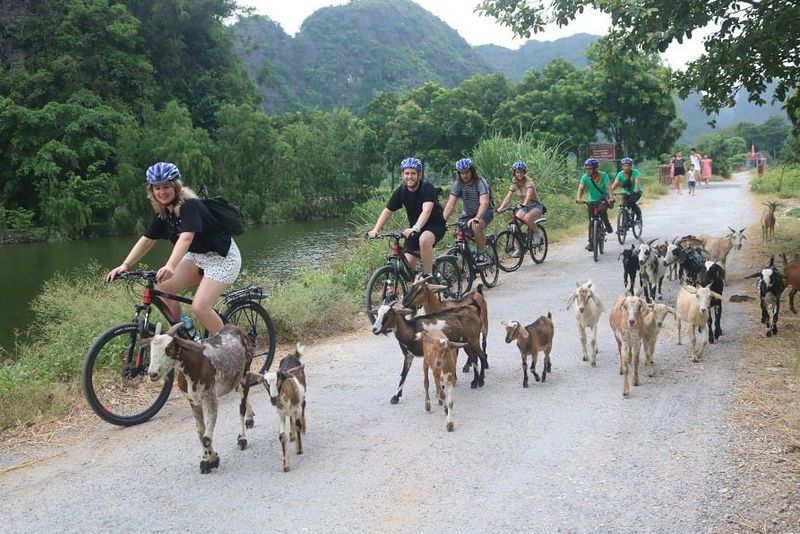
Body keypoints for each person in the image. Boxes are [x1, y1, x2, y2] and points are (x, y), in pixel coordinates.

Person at [105, 162, 242, 337]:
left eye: (166, 186)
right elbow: (147, 240)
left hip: (222, 259)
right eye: (157, 188)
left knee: (200, 307)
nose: (162, 192)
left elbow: (186, 237)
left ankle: (230, 347)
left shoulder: (190, 205)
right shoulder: (163, 212)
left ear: (176, 186)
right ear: (152, 191)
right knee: (164, 291)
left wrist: (170, 265)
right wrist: (124, 265)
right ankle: (188, 335)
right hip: (198, 256)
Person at [367, 157, 447, 278]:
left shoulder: (427, 188)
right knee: (407, 267)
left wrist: (416, 228)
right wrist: (376, 230)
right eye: (407, 173)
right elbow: (388, 211)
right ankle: (423, 275)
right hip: (415, 229)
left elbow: (427, 210)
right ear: (402, 175)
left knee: (424, 240)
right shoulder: (401, 191)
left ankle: (428, 276)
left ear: (419, 175)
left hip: (435, 225)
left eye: (413, 173)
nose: (410, 177)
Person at [442, 157, 494, 264]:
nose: (464, 176)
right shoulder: (458, 184)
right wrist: (442, 220)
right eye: (462, 173)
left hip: (485, 212)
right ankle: (469, 262)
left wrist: (477, 218)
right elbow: (451, 204)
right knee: (461, 235)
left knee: (476, 225)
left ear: (472, 171)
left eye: (467, 172)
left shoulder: (480, 182)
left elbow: (484, 202)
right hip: (468, 214)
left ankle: (481, 253)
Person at [495, 161, 546, 257]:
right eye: (517, 172)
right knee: (514, 224)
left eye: (521, 172)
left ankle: (537, 234)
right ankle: (519, 248)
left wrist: (524, 204)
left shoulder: (529, 182)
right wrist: (501, 208)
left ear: (524, 172)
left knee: (527, 219)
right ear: (514, 172)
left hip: (534, 206)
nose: (519, 174)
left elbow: (529, 194)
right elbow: (508, 197)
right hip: (524, 207)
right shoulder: (514, 183)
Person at [575, 158, 614, 251]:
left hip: (603, 199)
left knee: (602, 210)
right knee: (591, 221)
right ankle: (591, 243)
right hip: (591, 201)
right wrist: (578, 198)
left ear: (595, 169)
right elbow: (580, 188)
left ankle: (607, 225)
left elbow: (609, 187)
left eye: (590, 168)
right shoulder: (585, 177)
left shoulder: (604, 175)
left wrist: (611, 197)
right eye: (586, 168)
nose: (588, 170)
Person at [610, 156, 643, 223]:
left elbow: (637, 180)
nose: (626, 167)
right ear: (622, 166)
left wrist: (636, 189)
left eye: (628, 165)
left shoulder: (635, 172)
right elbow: (615, 183)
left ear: (631, 166)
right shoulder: (620, 174)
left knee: (631, 202)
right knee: (623, 204)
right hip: (626, 192)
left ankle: (638, 214)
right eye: (625, 166)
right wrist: (611, 191)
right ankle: (626, 220)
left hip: (636, 192)